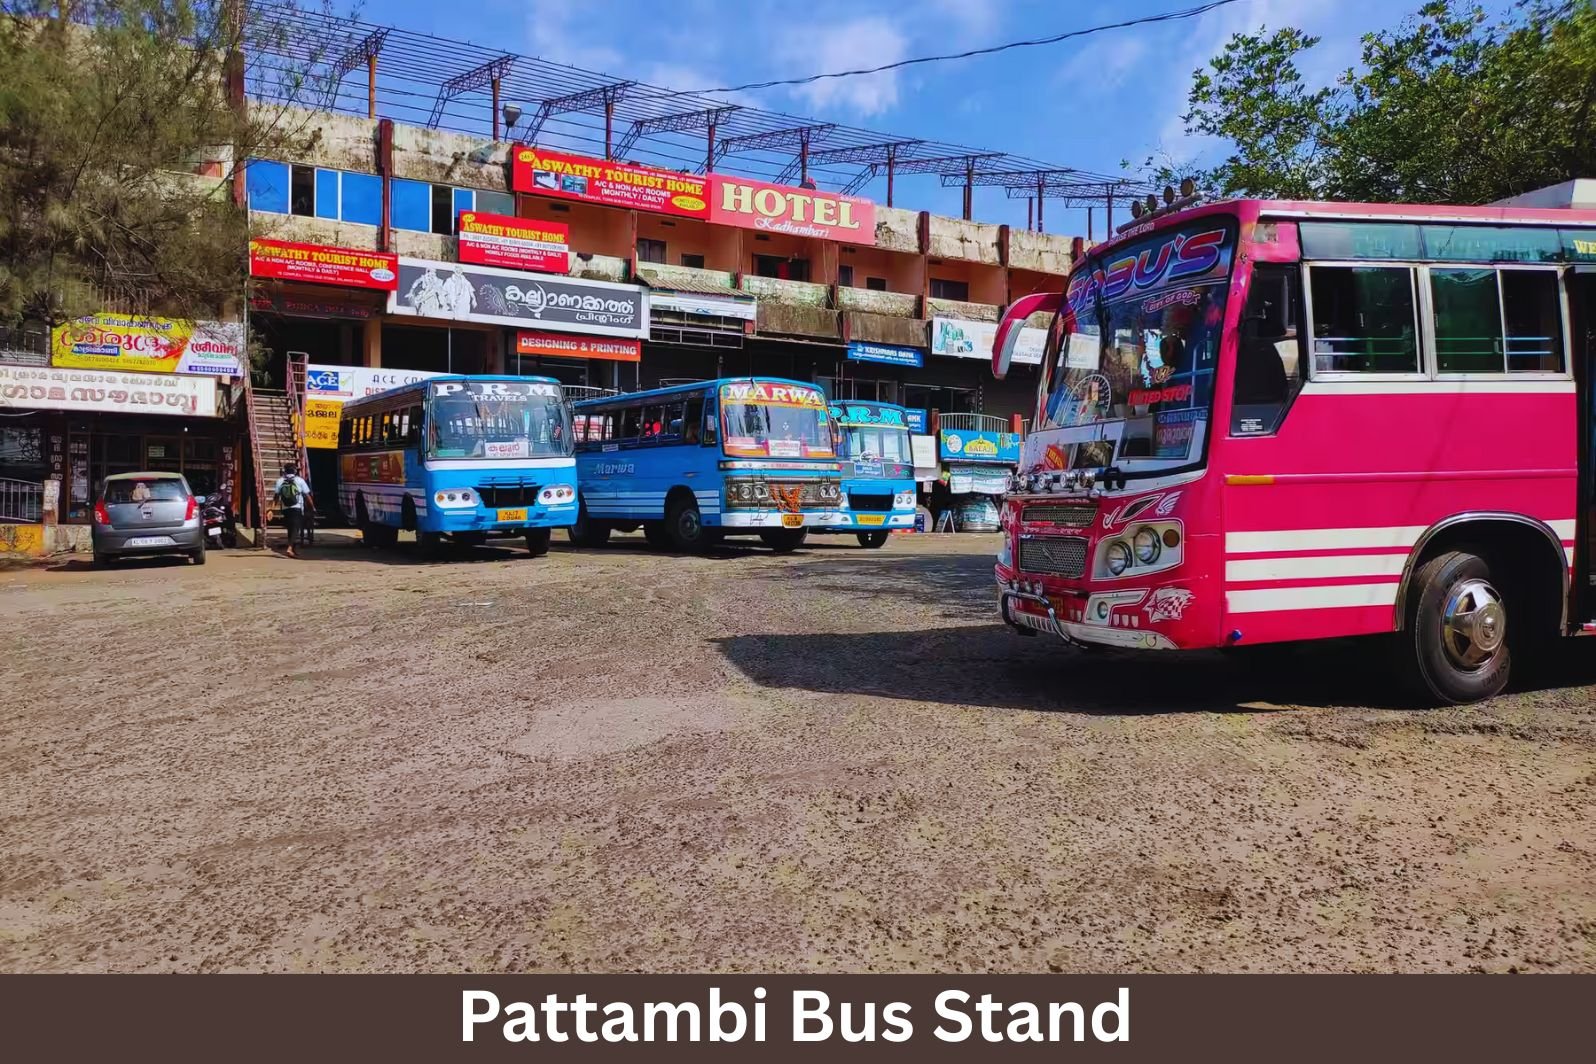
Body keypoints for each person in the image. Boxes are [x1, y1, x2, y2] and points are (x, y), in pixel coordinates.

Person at [270, 462, 313, 558]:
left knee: (290, 528)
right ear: (295, 471)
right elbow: (307, 495)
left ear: (284, 471)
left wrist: (271, 509)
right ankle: (289, 548)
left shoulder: (280, 481)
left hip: (285, 508)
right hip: (297, 507)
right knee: (296, 528)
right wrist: (312, 507)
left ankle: (292, 549)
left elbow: (276, 497)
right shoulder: (300, 480)